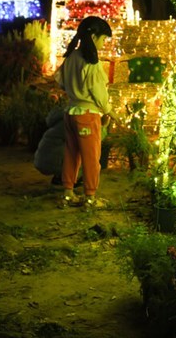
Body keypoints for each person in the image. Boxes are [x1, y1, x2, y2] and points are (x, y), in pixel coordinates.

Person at [54, 16, 122, 209]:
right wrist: (110, 111)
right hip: (87, 114)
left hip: (71, 112)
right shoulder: (92, 63)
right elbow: (99, 93)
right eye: (102, 39)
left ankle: (68, 193)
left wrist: (74, 90)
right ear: (93, 37)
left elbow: (59, 79)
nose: (103, 44)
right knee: (92, 157)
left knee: (71, 153)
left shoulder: (72, 57)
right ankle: (90, 197)